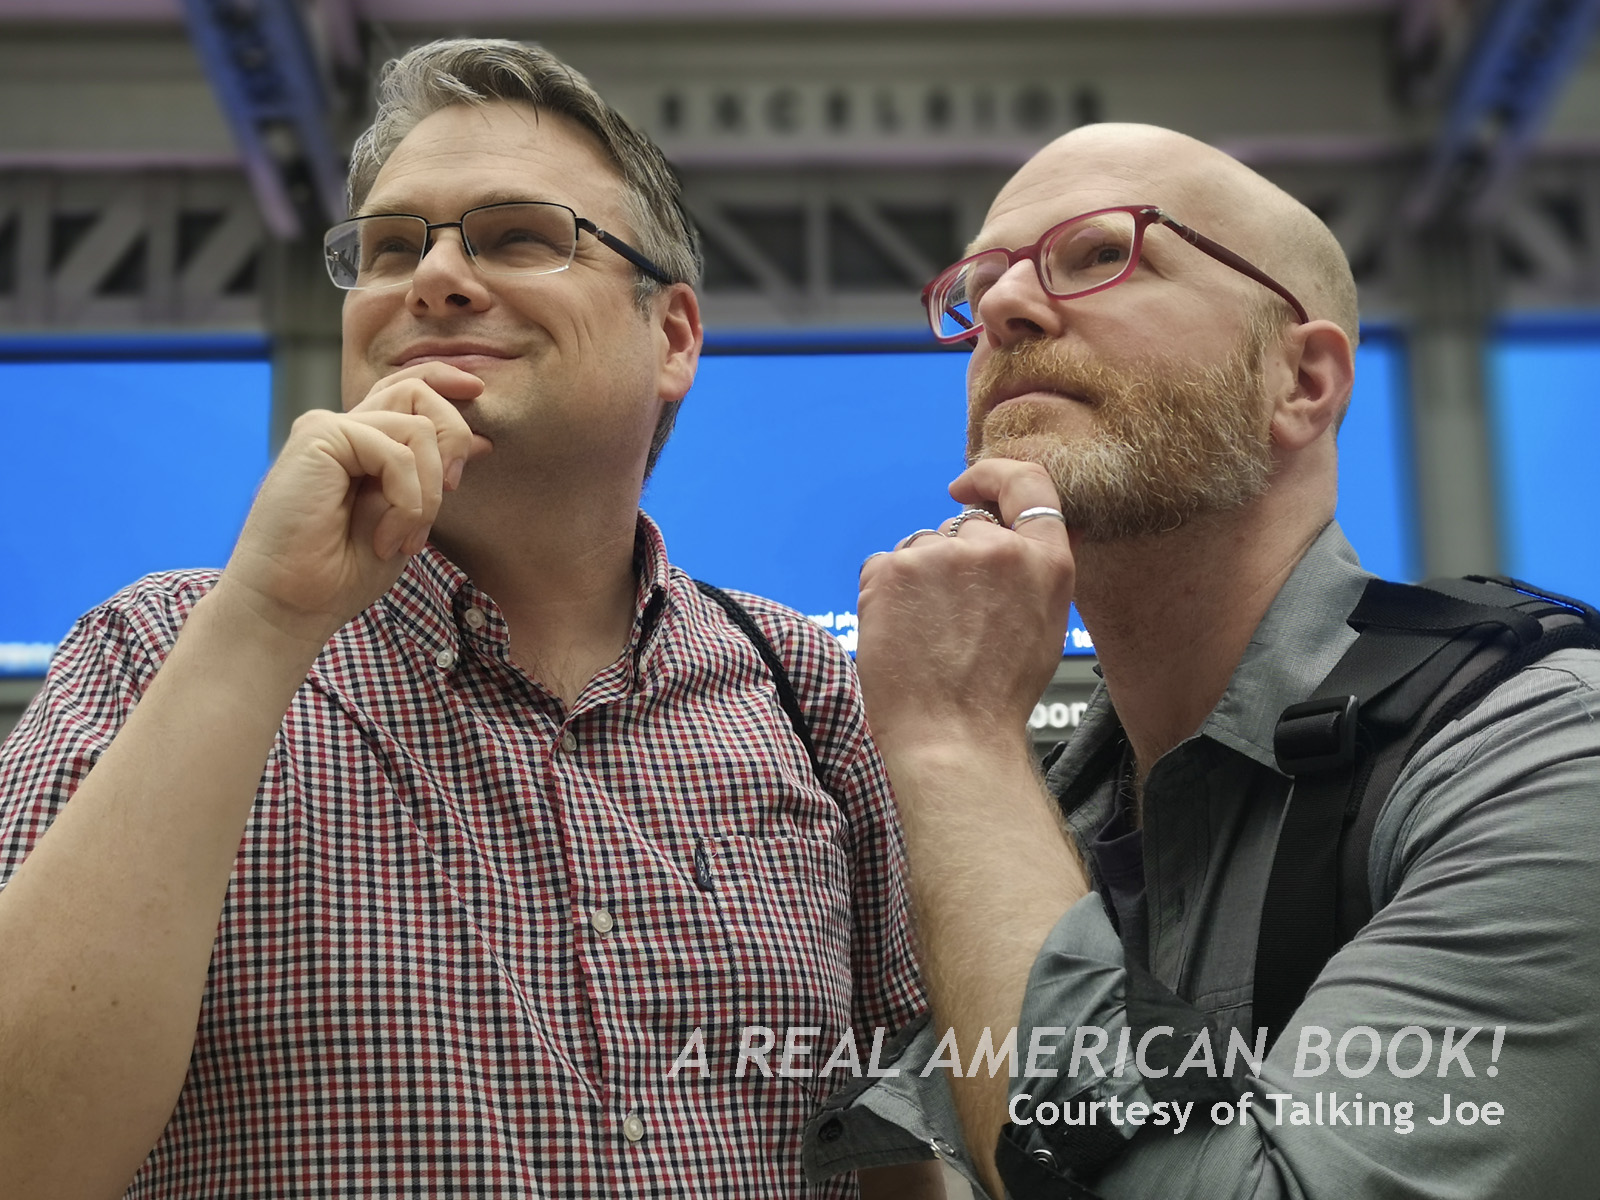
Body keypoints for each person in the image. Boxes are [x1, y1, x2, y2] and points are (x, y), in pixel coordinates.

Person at [0, 39, 940, 1199]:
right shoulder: (157, 651)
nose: (433, 278)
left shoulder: (804, 687)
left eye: (518, 236)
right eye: (392, 248)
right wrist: (263, 623)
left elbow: (897, 1147)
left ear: (674, 338)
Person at [802, 123, 1600, 1198]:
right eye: (979, 288)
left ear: (1303, 381)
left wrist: (956, 742)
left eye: (1101, 253)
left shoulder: (1547, 755)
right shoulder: (1041, 818)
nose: (1002, 308)